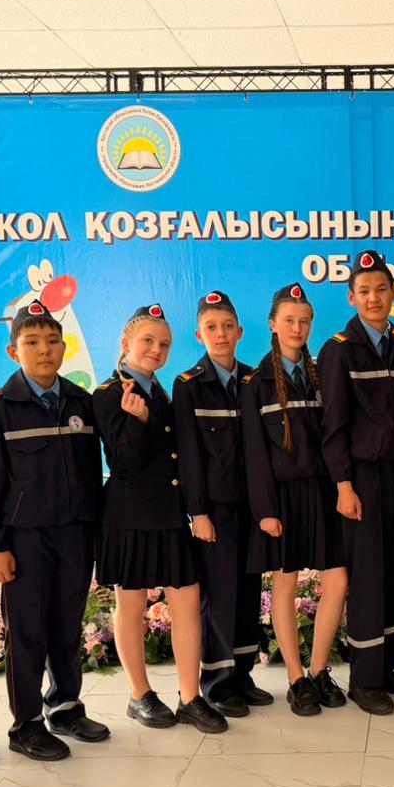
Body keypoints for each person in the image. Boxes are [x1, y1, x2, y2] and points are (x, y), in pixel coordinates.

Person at [0, 301, 111, 760]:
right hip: (25, 540)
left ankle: (66, 707)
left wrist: (96, 531)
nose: (44, 350)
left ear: (64, 347)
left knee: (67, 626)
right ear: (14, 352)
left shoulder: (81, 402)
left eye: (53, 341)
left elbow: (91, 473)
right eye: (32, 342)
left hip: (75, 534)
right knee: (27, 632)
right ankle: (26, 723)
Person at [93, 304, 225, 735]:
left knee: (187, 600)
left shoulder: (161, 391)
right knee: (131, 605)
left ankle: (190, 697)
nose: (156, 349)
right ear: (125, 344)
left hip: (168, 514)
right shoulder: (108, 394)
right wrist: (138, 420)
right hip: (129, 515)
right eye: (148, 341)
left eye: (164, 344)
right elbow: (123, 460)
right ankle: (140, 694)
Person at [241, 283, 350, 716]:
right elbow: (254, 455)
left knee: (337, 580)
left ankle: (319, 670)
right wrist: (265, 511)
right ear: (273, 324)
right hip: (282, 498)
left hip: (322, 492)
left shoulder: (323, 374)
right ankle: (295, 678)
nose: (297, 328)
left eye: (304, 321)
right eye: (289, 320)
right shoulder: (257, 383)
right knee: (284, 586)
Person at [318, 249, 394, 715]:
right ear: (351, 297)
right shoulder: (339, 349)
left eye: (381, 289)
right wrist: (343, 484)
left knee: (392, 570)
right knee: (368, 576)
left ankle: (386, 667)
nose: (373, 298)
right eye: (364, 291)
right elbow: (333, 425)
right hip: (360, 478)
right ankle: (364, 679)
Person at [172, 290, 270, 718]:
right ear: (200, 335)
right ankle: (216, 681)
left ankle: (242, 674)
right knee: (219, 596)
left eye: (228, 326)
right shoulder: (189, 385)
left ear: (240, 331)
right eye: (211, 327)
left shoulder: (253, 379)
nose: (221, 334)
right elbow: (189, 455)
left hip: (251, 506)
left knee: (248, 591)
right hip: (215, 510)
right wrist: (198, 512)